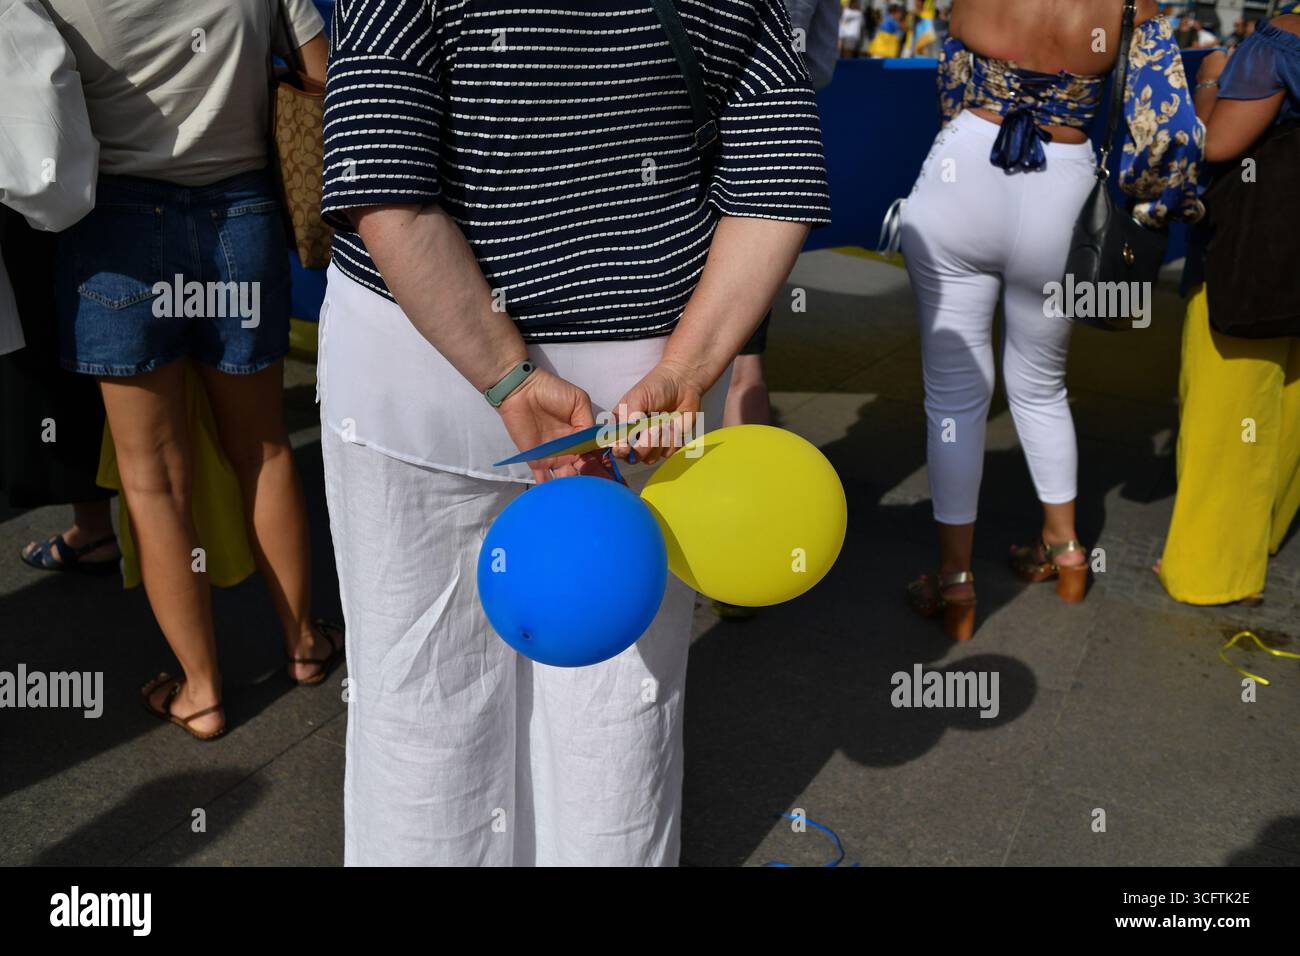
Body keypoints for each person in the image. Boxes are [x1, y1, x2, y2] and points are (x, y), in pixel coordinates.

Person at [318, 0, 829, 865]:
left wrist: (506, 372)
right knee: (616, 708)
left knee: (418, 697)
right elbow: (775, 175)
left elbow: (382, 178)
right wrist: (688, 371)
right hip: (638, 385)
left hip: (420, 365)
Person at [45, 0, 337, 741]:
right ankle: (303, 644)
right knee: (264, 449)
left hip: (113, 228)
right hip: (241, 216)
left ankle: (201, 692)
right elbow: (320, 77)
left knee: (155, 478)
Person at [899, 0, 1204, 640]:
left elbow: (951, 79)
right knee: (1041, 387)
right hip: (1063, 187)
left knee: (953, 398)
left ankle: (956, 582)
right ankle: (1066, 554)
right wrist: (1150, 208)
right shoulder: (1130, 5)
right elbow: (1170, 128)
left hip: (964, 175)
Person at [1158, 9, 1300, 605]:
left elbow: (1217, 144)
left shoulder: (1278, 42)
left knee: (1229, 404)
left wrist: (1211, 78)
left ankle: (1212, 570)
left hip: (1255, 255)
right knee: (1289, 394)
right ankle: (1265, 529)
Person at [0, 0, 117, 574]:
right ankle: (104, 527)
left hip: (37, 219)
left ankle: (101, 529)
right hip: (46, 214)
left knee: (55, 366)